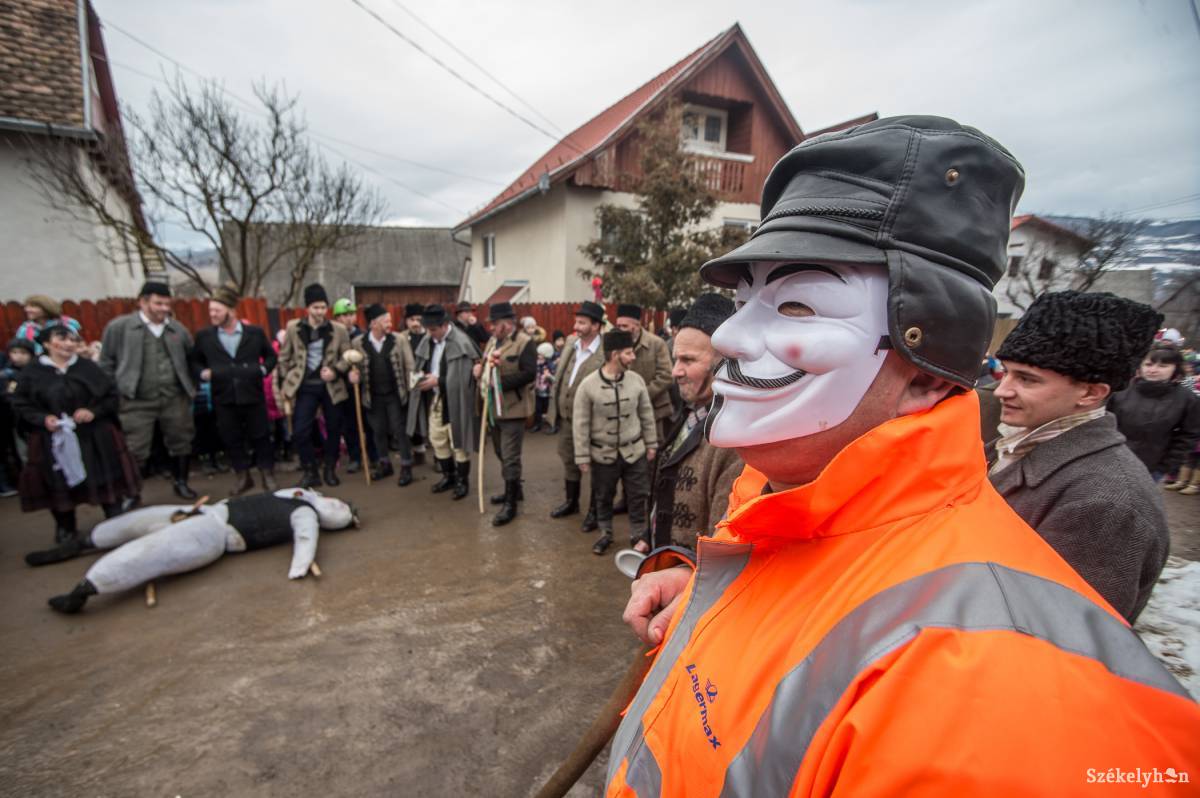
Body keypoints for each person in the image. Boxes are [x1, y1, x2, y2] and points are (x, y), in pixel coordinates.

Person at [608, 116, 1198, 797]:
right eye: (746, 301)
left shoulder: (996, 693)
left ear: (925, 369)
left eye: (797, 305)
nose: (734, 335)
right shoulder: (788, 514)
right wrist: (723, 605)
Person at [989, 291, 1173, 623]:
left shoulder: (1107, 503)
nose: (1003, 389)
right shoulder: (1019, 443)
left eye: (1027, 379)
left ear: (1090, 393)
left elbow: (1062, 633)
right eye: (1007, 372)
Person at [33, 488, 358, 614]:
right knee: (132, 523)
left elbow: (305, 540)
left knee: (150, 550)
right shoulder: (298, 494)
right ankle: (79, 545)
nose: (336, 502)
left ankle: (86, 589)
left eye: (341, 509)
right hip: (203, 511)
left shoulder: (305, 514)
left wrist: (300, 566)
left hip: (215, 533)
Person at [12, 323, 140, 549]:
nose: (69, 343)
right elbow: (21, 405)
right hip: (54, 440)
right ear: (46, 343)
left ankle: (116, 522)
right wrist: (43, 419)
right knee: (58, 483)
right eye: (62, 338)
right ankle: (65, 526)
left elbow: (111, 396)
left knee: (105, 479)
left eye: (73, 339)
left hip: (94, 437)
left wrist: (93, 411)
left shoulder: (88, 367)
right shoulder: (33, 373)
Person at [646, 293, 743, 555]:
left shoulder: (734, 443)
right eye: (676, 359)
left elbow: (722, 545)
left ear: (723, 364)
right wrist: (649, 533)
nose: (675, 371)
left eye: (688, 360)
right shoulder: (693, 411)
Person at [99, 281, 197, 503]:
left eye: (167, 304)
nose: (164, 308)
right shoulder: (120, 328)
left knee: (181, 440)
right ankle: (132, 492)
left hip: (174, 398)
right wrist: (116, 390)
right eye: (158, 303)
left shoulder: (177, 329)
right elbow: (106, 363)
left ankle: (181, 482)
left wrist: (190, 387)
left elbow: (192, 360)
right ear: (142, 302)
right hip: (136, 400)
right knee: (135, 447)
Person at [573, 329, 657, 555]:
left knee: (639, 494)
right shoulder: (588, 385)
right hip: (603, 454)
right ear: (614, 354)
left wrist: (651, 444)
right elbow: (580, 424)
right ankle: (605, 533)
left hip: (635, 451)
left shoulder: (636, 380)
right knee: (603, 495)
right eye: (628, 353)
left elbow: (646, 415)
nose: (633, 357)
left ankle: (639, 534)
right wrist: (582, 456)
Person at [191, 285, 279, 496]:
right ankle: (243, 476)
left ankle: (267, 474)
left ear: (230, 310)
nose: (212, 314)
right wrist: (202, 373)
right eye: (211, 310)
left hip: (252, 394)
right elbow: (194, 360)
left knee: (261, 435)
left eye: (217, 311)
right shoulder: (205, 337)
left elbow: (271, 356)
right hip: (224, 396)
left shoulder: (254, 333)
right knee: (232, 438)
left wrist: (263, 369)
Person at [274, 283, 351, 489]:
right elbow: (284, 357)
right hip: (305, 386)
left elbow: (348, 356)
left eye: (323, 307)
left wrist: (335, 370)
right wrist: (285, 379)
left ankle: (329, 469)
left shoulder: (338, 330)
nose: (319, 312)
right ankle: (310, 471)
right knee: (300, 430)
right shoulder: (293, 328)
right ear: (307, 308)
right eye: (315, 307)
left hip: (330, 387)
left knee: (334, 428)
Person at [407, 304, 479, 500]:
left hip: (458, 401)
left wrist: (437, 380)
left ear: (445, 325)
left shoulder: (461, 342)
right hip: (436, 398)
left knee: (458, 442)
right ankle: (449, 476)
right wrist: (420, 378)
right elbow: (421, 363)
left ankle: (463, 481)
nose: (430, 334)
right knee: (437, 438)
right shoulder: (429, 340)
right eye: (428, 330)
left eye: (433, 330)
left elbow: (466, 379)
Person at [475, 302, 537, 526]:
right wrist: (479, 370)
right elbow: (487, 366)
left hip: (514, 410)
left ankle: (510, 505)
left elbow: (529, 374)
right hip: (494, 410)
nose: (491, 327)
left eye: (495, 323)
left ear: (507, 323)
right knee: (501, 452)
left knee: (510, 456)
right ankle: (515, 490)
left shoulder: (525, 343)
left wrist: (499, 383)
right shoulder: (493, 341)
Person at [547, 301, 605, 526]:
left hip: (592, 422)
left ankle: (594, 511)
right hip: (566, 419)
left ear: (596, 326)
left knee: (594, 466)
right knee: (569, 460)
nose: (577, 326)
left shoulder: (605, 351)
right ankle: (571, 502)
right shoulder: (571, 343)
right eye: (576, 321)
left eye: (582, 322)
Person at [1108, 342, 1200, 481]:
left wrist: (1165, 466)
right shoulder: (1121, 390)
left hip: (1151, 468)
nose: (1153, 370)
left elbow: (1188, 435)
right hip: (1110, 462)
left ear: (1175, 368)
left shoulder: (1187, 399)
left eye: (1163, 366)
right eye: (1148, 364)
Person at [349, 304, 416, 486]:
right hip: (373, 395)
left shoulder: (398, 340)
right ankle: (385, 464)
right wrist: (353, 376)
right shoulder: (358, 343)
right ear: (373, 323)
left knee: (399, 430)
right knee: (378, 431)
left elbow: (410, 365)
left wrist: (412, 390)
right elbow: (353, 367)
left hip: (395, 394)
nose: (389, 323)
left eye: (389, 319)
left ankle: (406, 466)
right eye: (385, 320)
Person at [614, 303, 674, 444]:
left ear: (637, 325)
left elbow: (666, 376)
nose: (620, 330)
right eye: (618, 326)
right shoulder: (616, 345)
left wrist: (640, 396)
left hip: (654, 412)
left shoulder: (657, 343)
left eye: (624, 326)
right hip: (624, 412)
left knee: (653, 448)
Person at [15, 295, 81, 354]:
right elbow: (19, 349)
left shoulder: (65, 325)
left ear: (46, 308)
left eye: (33, 306)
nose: (27, 309)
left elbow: (75, 345)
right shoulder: (26, 329)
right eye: (26, 306)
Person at [532, 341, 555, 433]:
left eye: (541, 354)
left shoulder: (550, 366)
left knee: (548, 409)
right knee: (538, 409)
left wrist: (549, 376)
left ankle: (550, 425)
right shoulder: (536, 364)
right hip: (538, 390)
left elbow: (555, 379)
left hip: (547, 391)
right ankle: (537, 424)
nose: (538, 356)